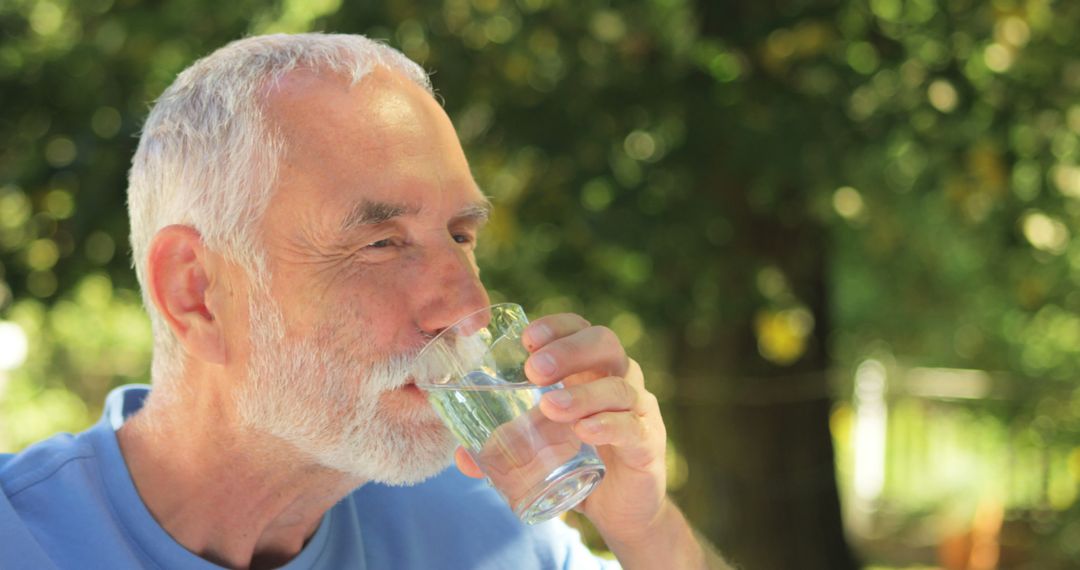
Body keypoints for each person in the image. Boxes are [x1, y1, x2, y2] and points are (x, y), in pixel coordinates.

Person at [0, 33, 728, 569]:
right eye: (381, 243)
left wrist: (646, 526)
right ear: (197, 292)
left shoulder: (478, 530)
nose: (469, 309)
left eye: (462, 235)